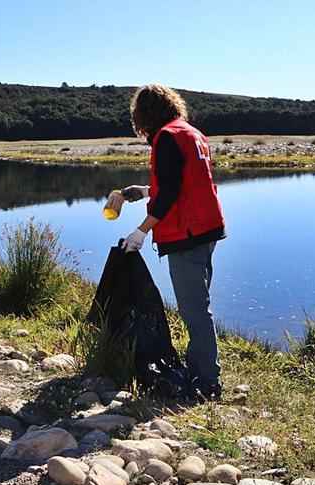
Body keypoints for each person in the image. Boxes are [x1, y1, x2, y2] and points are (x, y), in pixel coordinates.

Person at [120, 84, 226, 400]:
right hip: (208, 229)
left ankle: (207, 384)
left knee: (195, 312)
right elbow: (182, 182)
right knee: (199, 305)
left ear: (144, 114)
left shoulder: (166, 137)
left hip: (187, 235)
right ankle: (202, 372)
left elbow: (169, 194)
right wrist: (144, 190)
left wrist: (141, 232)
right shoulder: (191, 133)